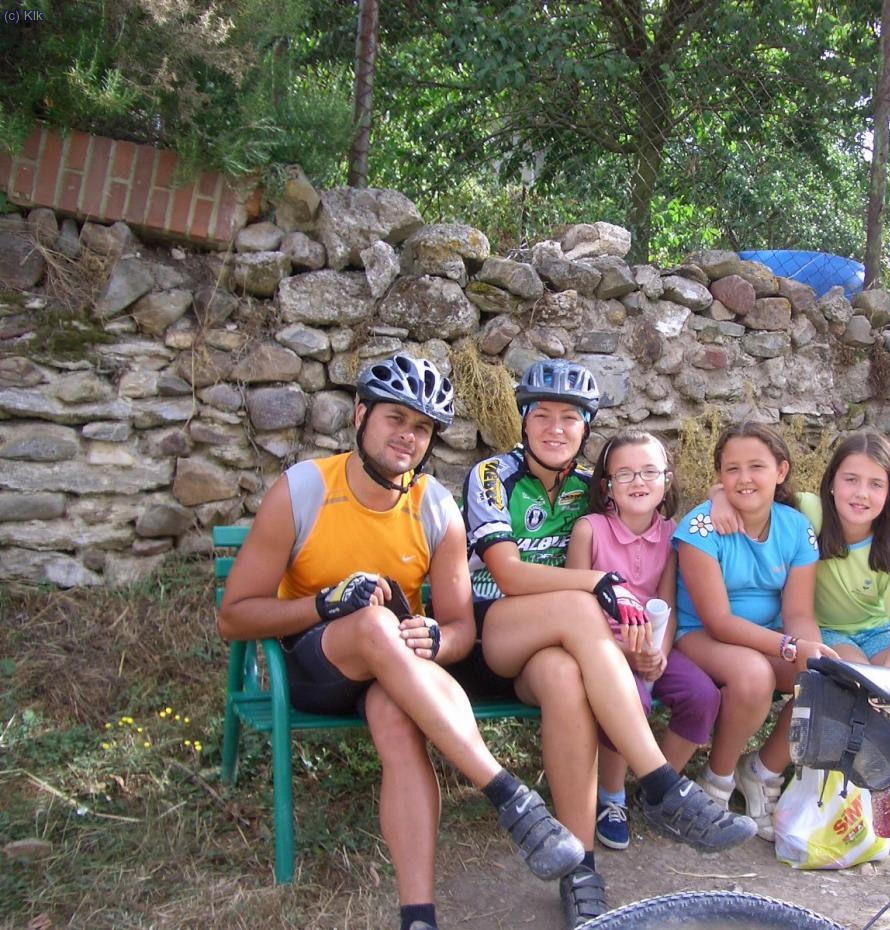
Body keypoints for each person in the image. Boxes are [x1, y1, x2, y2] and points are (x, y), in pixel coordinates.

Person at [217, 353, 584, 930]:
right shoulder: (304, 490)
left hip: (394, 673)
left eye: (421, 428)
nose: (407, 437)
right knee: (369, 622)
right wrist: (323, 604)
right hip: (314, 666)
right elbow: (233, 618)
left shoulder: (436, 508)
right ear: (361, 415)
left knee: (395, 717)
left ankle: (419, 916)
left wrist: (438, 638)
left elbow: (465, 632)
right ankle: (509, 796)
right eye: (395, 418)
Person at [460, 360, 756, 928]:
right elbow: (511, 573)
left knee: (567, 680)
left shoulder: (588, 488)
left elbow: (661, 505)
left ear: (585, 428)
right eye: (541, 415)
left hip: (557, 652)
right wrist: (598, 582)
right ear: (522, 420)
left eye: (569, 418)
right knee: (578, 606)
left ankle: (581, 870)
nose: (554, 428)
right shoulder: (494, 476)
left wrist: (720, 491)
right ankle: (663, 784)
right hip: (492, 630)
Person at [675, 421, 838, 842]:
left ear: (780, 471)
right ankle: (716, 784)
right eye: (732, 469)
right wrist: (788, 647)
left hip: (768, 636)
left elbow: (799, 611)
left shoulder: (795, 526)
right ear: (719, 476)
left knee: (830, 676)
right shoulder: (700, 529)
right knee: (753, 675)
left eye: (756, 467)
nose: (744, 479)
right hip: (702, 636)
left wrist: (807, 647)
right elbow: (719, 622)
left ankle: (762, 771)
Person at [564, 429, 721, 853]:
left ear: (666, 481)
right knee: (628, 699)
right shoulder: (590, 530)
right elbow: (574, 605)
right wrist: (621, 652)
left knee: (702, 696)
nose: (639, 482)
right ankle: (611, 797)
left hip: (651, 646)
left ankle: (658, 790)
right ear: (606, 486)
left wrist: (659, 653)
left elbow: (665, 601)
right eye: (626, 473)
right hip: (598, 648)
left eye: (650, 471)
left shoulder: (672, 534)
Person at [796, 430, 890, 855]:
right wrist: (723, 501)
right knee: (854, 675)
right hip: (824, 629)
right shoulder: (807, 510)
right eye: (851, 479)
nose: (861, 493)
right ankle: (860, 797)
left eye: (876, 484)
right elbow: (744, 493)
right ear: (832, 481)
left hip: (877, 632)